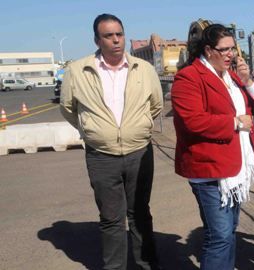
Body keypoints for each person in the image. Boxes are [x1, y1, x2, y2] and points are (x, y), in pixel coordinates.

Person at [59, 14, 163, 270]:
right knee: (111, 219)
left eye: (119, 34)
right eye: (109, 35)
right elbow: (68, 108)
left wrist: (136, 128)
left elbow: (156, 105)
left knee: (140, 214)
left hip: (140, 152)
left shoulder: (144, 69)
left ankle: (146, 265)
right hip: (101, 156)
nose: (116, 40)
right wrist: (94, 131)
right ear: (97, 39)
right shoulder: (78, 70)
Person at [171, 24, 254, 270]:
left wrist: (247, 82)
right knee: (220, 236)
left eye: (232, 49)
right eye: (224, 50)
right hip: (209, 169)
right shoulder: (189, 77)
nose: (230, 54)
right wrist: (234, 123)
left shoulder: (230, 76)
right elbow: (192, 120)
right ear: (208, 49)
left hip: (233, 168)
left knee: (229, 232)